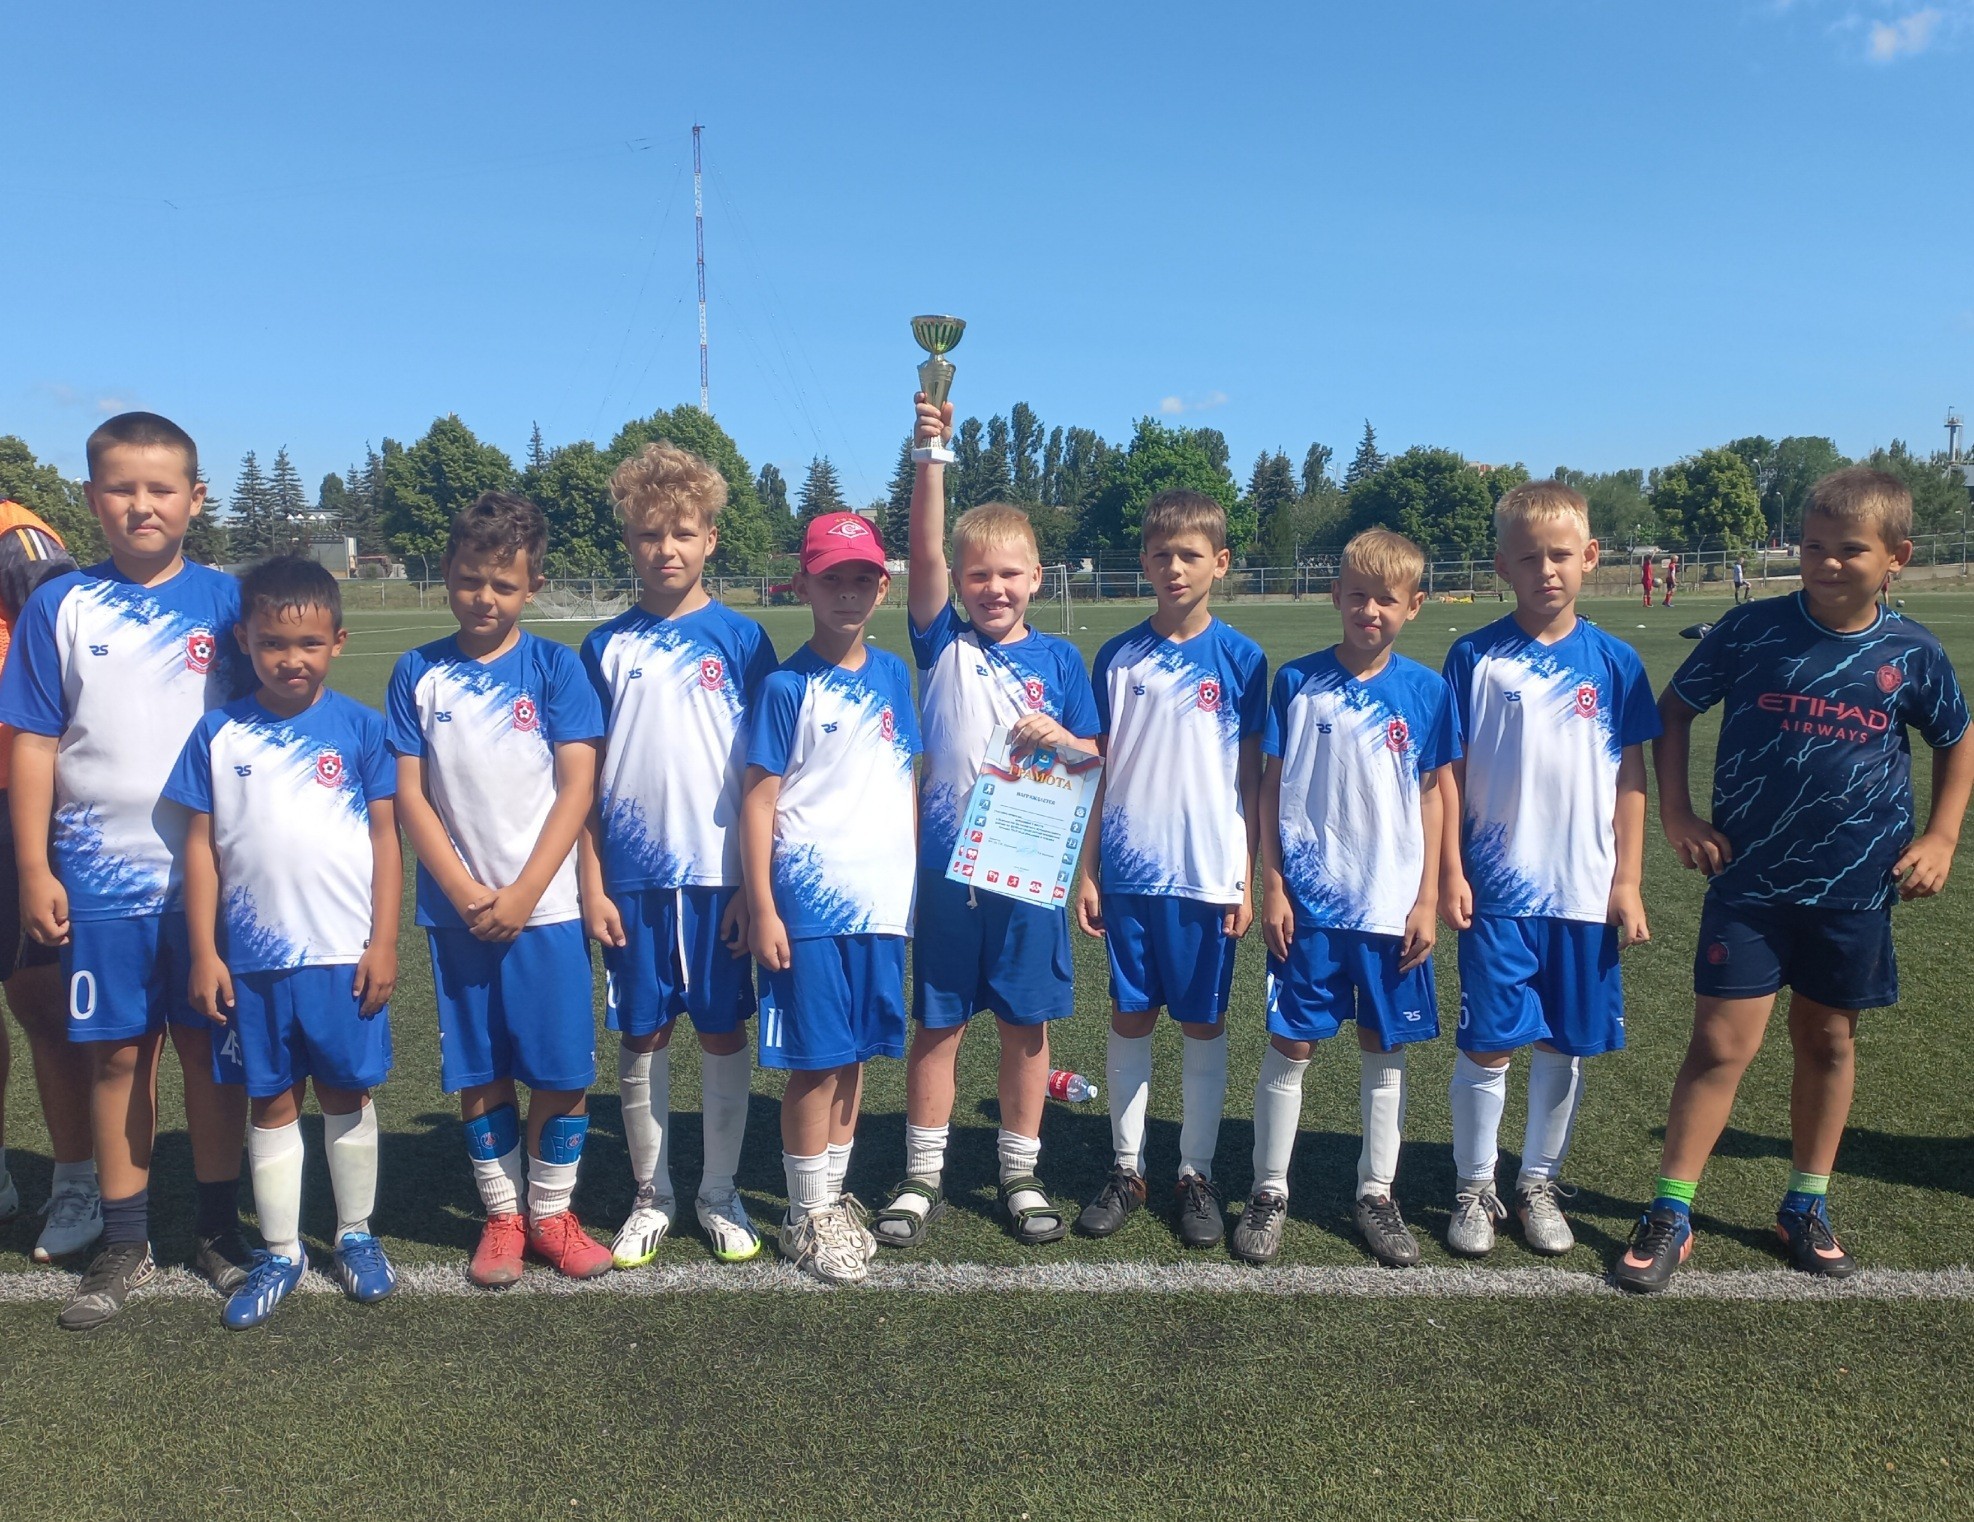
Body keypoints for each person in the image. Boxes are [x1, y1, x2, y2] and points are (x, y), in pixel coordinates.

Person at [1614, 468, 1972, 1291]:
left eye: (1850, 550)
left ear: (1896, 557)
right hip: (1749, 883)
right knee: (1718, 1046)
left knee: (1828, 1041)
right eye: (1813, 546)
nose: (1827, 563)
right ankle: (1671, 1208)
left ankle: (1805, 1203)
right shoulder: (1751, 630)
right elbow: (1673, 711)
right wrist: (1678, 814)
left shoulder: (1912, 652)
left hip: (1854, 890)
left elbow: (1956, 737)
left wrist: (1942, 836)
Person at [0, 412, 255, 1331]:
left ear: (195, 498)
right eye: (121, 488)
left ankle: (218, 1230)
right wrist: (34, 865)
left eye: (160, 489)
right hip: (99, 881)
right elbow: (35, 742)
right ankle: (124, 1238)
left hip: (212, 881)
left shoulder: (229, 603)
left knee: (211, 1055)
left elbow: (267, 728)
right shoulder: (58, 605)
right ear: (90, 498)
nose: (141, 505)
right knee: (115, 1055)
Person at [871, 394, 1100, 1250]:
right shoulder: (943, 645)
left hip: (1030, 873)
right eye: (978, 577)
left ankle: (1019, 1170)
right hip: (947, 874)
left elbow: (1093, 758)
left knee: (1026, 1026)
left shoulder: (1062, 660)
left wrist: (1067, 741)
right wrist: (930, 454)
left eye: (1009, 575)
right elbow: (926, 548)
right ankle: (923, 1174)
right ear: (957, 585)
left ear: (1037, 577)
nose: (993, 589)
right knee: (938, 1024)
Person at [168, 556, 401, 1326]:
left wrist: (383, 942)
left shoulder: (362, 729)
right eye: (272, 643)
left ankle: (355, 1234)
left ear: (337, 641)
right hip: (254, 964)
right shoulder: (218, 732)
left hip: (342, 956)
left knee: (346, 1091)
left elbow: (387, 842)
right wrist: (205, 952)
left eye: (307, 643)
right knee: (269, 1099)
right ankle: (280, 1251)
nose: (289, 659)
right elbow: (200, 848)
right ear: (245, 641)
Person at [387, 492, 610, 1286]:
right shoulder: (417, 671)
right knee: (479, 1072)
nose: (485, 597)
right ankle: (504, 1216)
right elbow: (410, 794)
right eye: (470, 579)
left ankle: (551, 1213)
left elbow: (577, 788)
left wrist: (523, 892)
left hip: (545, 912)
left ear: (533, 585)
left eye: (504, 585)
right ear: (446, 571)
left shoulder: (555, 667)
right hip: (460, 918)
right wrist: (461, 889)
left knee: (562, 1072)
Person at [1439, 478, 1659, 1258]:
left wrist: (1627, 882)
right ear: (1503, 565)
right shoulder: (1474, 656)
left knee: (1564, 1042)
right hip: (1497, 889)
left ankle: (1537, 1180)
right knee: (1489, 1042)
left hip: (1582, 890)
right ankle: (1475, 1185)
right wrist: (1451, 870)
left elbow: (1631, 780)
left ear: (1590, 556)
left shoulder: (1616, 662)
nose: (1547, 571)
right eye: (1529, 558)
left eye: (1561, 555)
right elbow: (1450, 773)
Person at [577, 443, 776, 1268]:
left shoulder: (743, 640)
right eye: (650, 534)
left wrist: (753, 891)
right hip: (632, 881)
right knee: (644, 1033)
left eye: (683, 532)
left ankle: (719, 1191)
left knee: (723, 1031)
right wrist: (592, 883)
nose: (667, 549)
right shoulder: (603, 647)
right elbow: (581, 782)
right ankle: (651, 1194)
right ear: (629, 540)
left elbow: (768, 777)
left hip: (721, 878)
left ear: (711, 539)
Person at [1234, 530, 1455, 1268]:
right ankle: (1269, 1189)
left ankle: (1376, 1193)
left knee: (1384, 1045)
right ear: (1335, 596)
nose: (1369, 610)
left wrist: (1425, 898)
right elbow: (1271, 787)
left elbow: (1433, 795)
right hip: (1311, 907)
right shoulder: (1297, 681)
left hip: (1390, 908)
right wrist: (1272, 883)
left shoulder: (1427, 691)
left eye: (1386, 599)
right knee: (1291, 1043)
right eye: (1357, 595)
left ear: (1413, 606)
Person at [1076, 491, 1266, 1248]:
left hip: (1207, 877)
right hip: (1129, 873)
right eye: (1161, 555)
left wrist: (1247, 878)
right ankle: (1128, 1169)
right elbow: (1099, 768)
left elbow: (1252, 780)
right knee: (1130, 1015)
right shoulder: (1117, 657)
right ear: (1144, 563)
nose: (1175, 567)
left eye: (1190, 555)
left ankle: (1195, 1173)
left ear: (1220, 563)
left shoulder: (1242, 660)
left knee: (1202, 1021)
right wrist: (1089, 869)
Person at [742, 511, 921, 1284]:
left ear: (882, 588)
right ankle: (803, 1213)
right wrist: (762, 906)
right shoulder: (786, 687)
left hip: (881, 904)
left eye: (862, 579)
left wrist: (910, 883)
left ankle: (832, 1199)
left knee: (854, 1057)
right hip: (809, 907)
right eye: (831, 579)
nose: (847, 592)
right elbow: (758, 803)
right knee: (815, 1064)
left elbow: (905, 777)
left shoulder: (893, 676)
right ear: (803, 586)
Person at [0, 499, 100, 1265]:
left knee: (40, 996)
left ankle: (76, 1178)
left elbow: (64, 621)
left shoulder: (11, 530)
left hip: (13, 798)